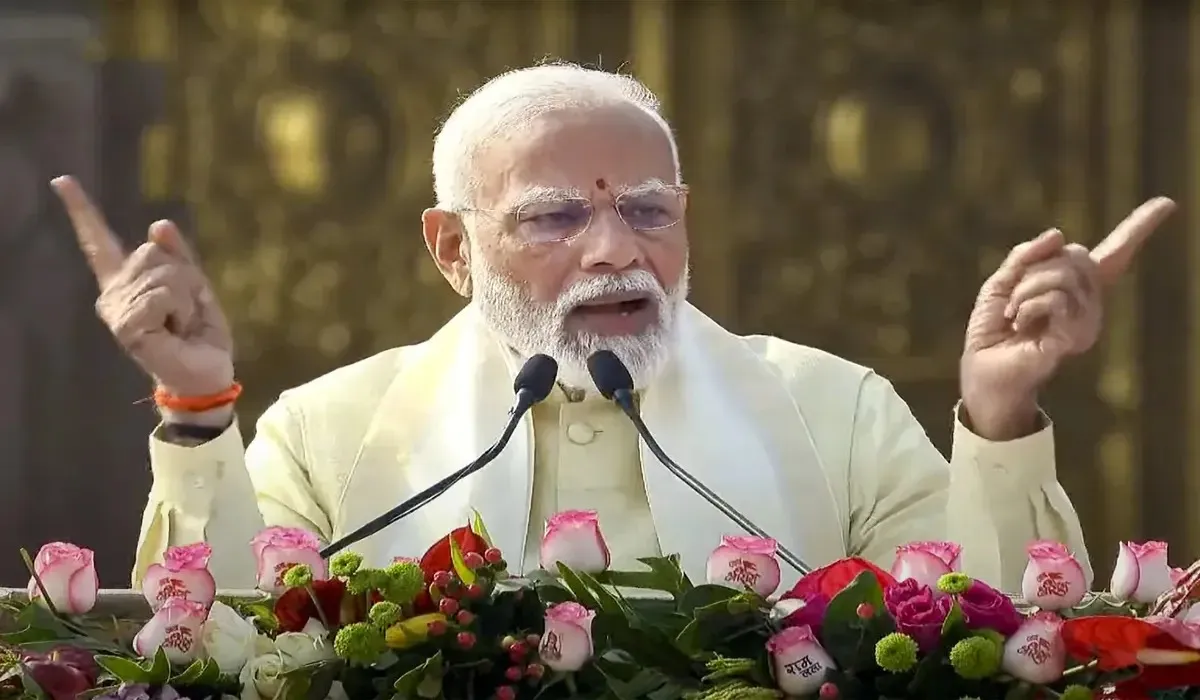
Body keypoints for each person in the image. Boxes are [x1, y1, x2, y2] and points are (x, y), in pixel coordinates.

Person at [55, 63, 1173, 593]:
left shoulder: (834, 409)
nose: (614, 250)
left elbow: (986, 641)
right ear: (452, 249)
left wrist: (999, 412)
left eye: (648, 210)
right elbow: (227, 642)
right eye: (554, 216)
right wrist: (200, 409)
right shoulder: (329, 428)